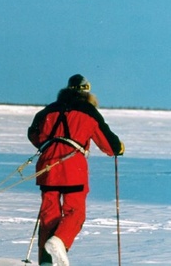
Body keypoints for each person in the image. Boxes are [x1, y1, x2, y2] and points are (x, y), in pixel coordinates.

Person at [27, 74, 124, 266]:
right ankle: (60, 241)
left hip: (48, 167)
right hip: (73, 168)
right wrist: (118, 148)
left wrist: (50, 144)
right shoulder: (88, 112)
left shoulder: (48, 110)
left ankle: (46, 262)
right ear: (87, 93)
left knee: (49, 214)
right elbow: (109, 144)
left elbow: (33, 134)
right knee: (75, 212)